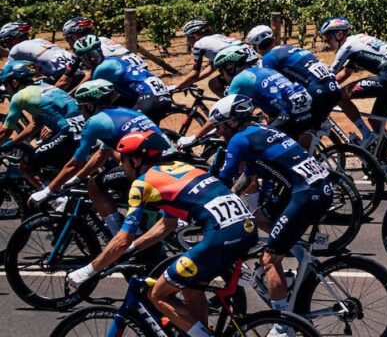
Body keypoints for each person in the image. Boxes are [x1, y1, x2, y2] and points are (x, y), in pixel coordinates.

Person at [66, 130, 257, 337]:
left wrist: (88, 271)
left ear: (136, 160)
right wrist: (132, 249)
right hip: (246, 229)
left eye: (124, 160)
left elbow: (122, 238)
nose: (122, 166)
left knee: (157, 293)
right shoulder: (180, 168)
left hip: (220, 237)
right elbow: (167, 225)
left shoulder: (142, 183)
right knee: (190, 288)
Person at [207, 95, 333, 321]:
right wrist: (232, 198)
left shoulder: (238, 141)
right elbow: (248, 177)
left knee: (269, 260)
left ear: (232, 122)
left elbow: (223, 179)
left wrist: (206, 205)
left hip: (305, 194)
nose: (218, 133)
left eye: (219, 127)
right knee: (259, 217)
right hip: (318, 186)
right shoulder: (262, 131)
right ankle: (299, 252)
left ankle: (283, 323)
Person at [30, 80, 170, 223]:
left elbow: (74, 164)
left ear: (90, 106)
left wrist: (47, 191)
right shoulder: (124, 112)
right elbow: (102, 154)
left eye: (81, 108)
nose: (80, 113)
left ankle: (118, 235)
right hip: (167, 159)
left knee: (94, 185)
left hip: (148, 167)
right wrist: (77, 178)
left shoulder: (94, 122)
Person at [318, 17, 387, 144]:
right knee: (375, 119)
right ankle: (379, 155)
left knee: (339, 96)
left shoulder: (347, 47)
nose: (327, 42)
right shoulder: (358, 40)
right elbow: (346, 72)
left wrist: (316, 89)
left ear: (339, 34)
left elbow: (330, 75)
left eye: (328, 37)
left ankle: (366, 135)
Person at [249, 26, 343, 141]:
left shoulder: (268, 59)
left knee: (293, 127)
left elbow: (273, 86)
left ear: (256, 47)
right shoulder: (289, 48)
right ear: (273, 39)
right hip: (332, 87)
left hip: (318, 92)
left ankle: (303, 157)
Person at [203, 45, 314, 138]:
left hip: (289, 116)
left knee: (254, 146)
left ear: (230, 68)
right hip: (304, 110)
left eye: (222, 72)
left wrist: (195, 137)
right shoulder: (263, 69)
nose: (222, 77)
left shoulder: (240, 79)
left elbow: (224, 113)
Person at [2, 66, 87, 186]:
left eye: (6, 85)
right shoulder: (46, 86)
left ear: (14, 82)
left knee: (26, 166)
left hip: (68, 131)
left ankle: (53, 199)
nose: (6, 89)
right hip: (85, 126)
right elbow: (36, 125)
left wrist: (5, 143)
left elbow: (5, 132)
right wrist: (12, 143)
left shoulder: (19, 96)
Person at [76, 36, 176, 122]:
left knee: (125, 128)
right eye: (86, 57)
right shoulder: (112, 59)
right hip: (156, 93)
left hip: (149, 96)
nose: (91, 59)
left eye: (93, 54)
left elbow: (102, 98)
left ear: (100, 50)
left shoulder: (102, 69)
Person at [174, 20, 240, 92]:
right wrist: (189, 82)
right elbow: (211, 68)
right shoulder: (218, 37)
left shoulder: (199, 44)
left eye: (187, 37)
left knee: (231, 99)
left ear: (195, 36)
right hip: (249, 67)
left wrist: (175, 87)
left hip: (238, 73)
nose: (187, 41)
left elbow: (195, 74)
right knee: (214, 84)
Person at [9, 32, 84, 90]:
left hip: (61, 74)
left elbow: (7, 71)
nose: (6, 45)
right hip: (76, 68)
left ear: (13, 39)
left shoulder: (16, 49)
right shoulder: (39, 40)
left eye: (6, 42)